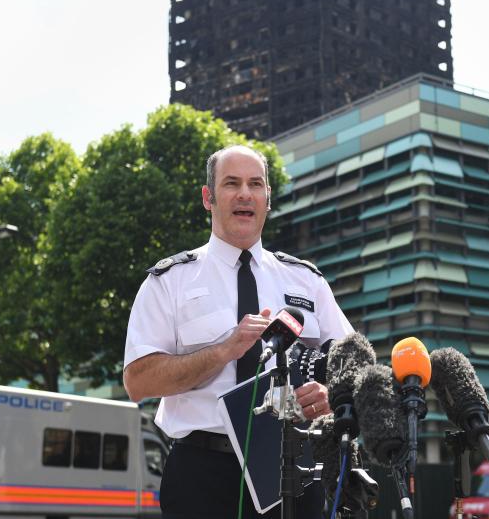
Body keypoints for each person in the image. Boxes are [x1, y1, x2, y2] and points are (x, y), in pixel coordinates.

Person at [123, 144, 354, 519]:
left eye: (255, 184)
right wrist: (223, 350)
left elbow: (354, 361)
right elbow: (138, 382)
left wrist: (333, 392)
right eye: (231, 183)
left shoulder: (306, 280)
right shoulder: (170, 282)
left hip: (295, 468)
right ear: (208, 197)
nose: (245, 193)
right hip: (202, 475)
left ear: (267, 198)